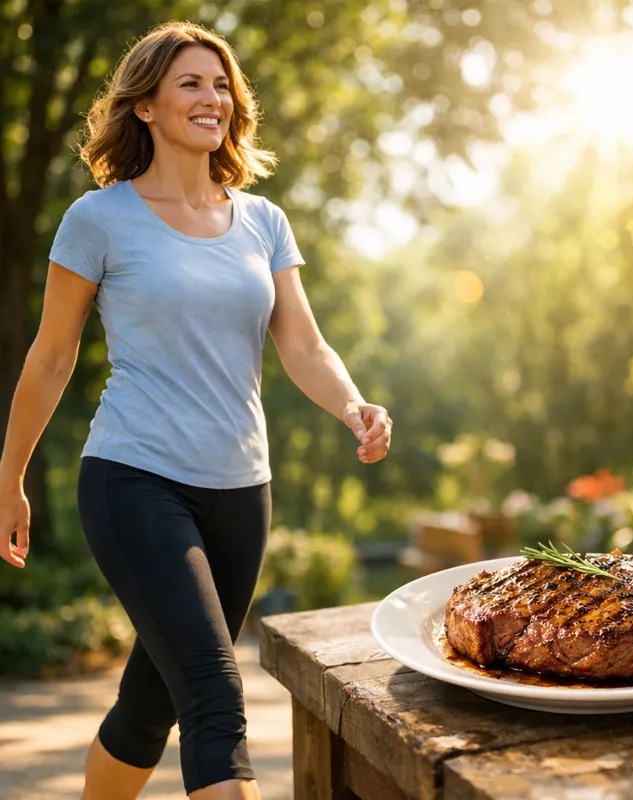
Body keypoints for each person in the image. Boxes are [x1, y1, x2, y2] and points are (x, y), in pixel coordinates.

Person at [0, 20, 392, 800]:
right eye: (190, 82)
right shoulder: (99, 219)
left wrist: (353, 405)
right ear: (143, 106)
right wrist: (9, 478)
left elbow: (304, 346)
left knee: (152, 705)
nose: (212, 97)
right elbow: (51, 355)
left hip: (242, 490)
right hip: (134, 479)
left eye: (221, 84)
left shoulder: (262, 222)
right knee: (216, 699)